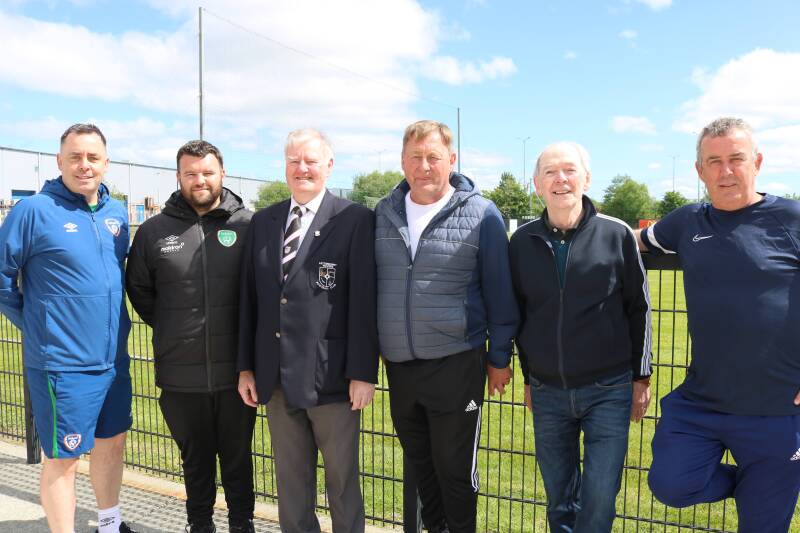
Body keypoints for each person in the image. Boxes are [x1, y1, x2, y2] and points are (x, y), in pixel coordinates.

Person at [637, 117, 800, 532]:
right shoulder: (688, 221)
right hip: (703, 401)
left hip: (778, 411)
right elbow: (634, 242)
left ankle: (760, 485)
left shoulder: (792, 218)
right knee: (671, 484)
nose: (726, 171)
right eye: (714, 161)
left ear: (757, 162)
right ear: (700, 171)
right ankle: (748, 483)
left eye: (736, 159)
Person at [374, 120, 519, 533]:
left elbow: (500, 294)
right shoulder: (383, 213)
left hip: (457, 363)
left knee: (455, 471)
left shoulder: (481, 213)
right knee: (421, 469)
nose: (424, 167)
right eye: (416, 158)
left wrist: (499, 358)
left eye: (433, 157)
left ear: (451, 160)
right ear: (403, 162)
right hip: (401, 366)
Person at [237, 128, 378, 533]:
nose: (302, 169)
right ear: (285, 167)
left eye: (311, 161)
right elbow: (252, 300)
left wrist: (363, 372)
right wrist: (247, 368)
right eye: (294, 161)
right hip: (277, 380)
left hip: (331, 378)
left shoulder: (353, 220)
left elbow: (363, 302)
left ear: (328, 166)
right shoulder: (264, 222)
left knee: (343, 484)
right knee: (292, 487)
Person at [509, 142, 652, 531]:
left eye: (570, 170)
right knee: (559, 499)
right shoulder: (522, 242)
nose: (561, 179)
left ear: (586, 179)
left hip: (609, 389)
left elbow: (639, 307)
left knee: (600, 499)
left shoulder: (616, 234)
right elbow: (521, 316)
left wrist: (641, 377)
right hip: (547, 391)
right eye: (550, 172)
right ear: (537, 184)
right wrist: (528, 378)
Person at [0, 123, 135, 533]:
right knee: (63, 458)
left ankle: (110, 525)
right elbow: (4, 280)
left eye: (93, 157)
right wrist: (43, 327)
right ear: (59, 161)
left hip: (113, 360)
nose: (84, 165)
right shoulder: (33, 211)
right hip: (62, 365)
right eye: (75, 156)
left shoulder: (115, 213)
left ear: (106, 163)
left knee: (112, 444)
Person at [126, 140, 256, 533]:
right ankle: (199, 525)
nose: (199, 180)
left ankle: (242, 524)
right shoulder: (153, 232)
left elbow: (261, 292)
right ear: (179, 176)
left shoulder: (249, 226)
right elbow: (140, 292)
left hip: (238, 374)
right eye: (191, 173)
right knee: (195, 460)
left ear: (222, 174)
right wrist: (172, 327)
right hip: (181, 376)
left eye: (207, 172)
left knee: (237, 458)